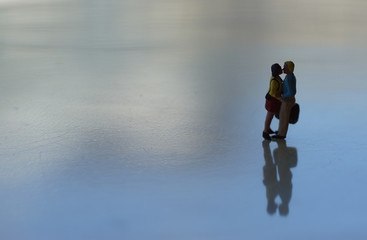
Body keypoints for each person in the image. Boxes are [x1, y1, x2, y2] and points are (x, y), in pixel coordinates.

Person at [272, 61, 296, 140]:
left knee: (284, 117)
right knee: (282, 116)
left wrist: (282, 96)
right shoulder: (289, 76)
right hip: (286, 99)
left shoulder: (289, 78)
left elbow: (292, 92)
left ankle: (281, 134)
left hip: (287, 100)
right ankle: (280, 131)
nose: (283, 68)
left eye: (285, 67)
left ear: (289, 68)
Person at [263, 63, 283, 140]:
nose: (282, 69)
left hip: (274, 101)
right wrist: (281, 98)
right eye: (280, 69)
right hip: (272, 101)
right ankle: (265, 132)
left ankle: (267, 128)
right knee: (269, 116)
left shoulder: (277, 77)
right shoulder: (274, 80)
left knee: (270, 116)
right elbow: (273, 93)